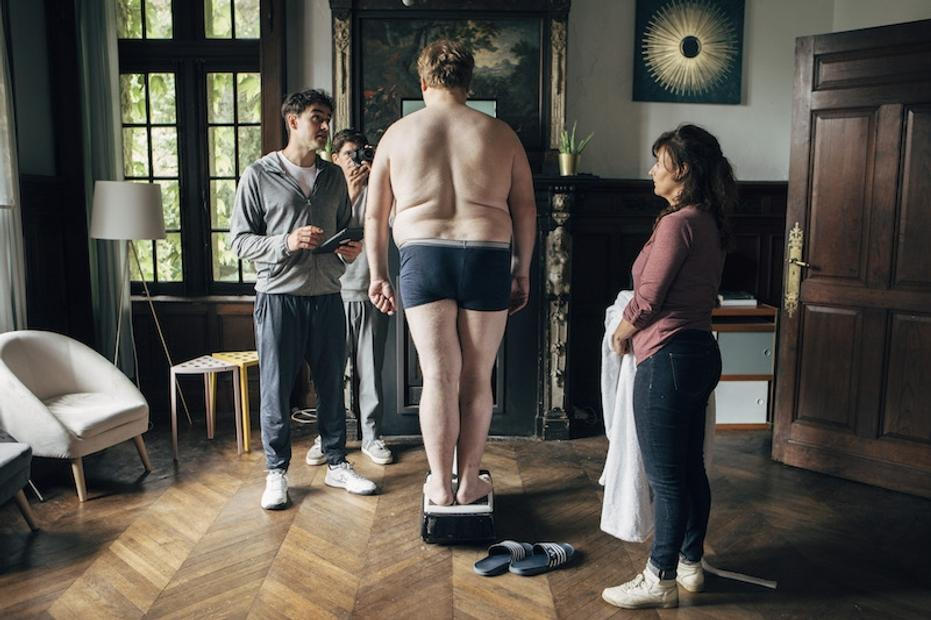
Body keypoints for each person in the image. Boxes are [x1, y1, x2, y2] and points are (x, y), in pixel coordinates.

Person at [364, 40, 536, 507]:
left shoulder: (397, 134)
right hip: (486, 254)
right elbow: (525, 209)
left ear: (423, 83)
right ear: (468, 83)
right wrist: (521, 270)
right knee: (477, 377)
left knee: (438, 377)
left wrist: (378, 274)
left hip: (423, 255)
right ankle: (469, 481)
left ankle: (440, 484)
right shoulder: (501, 134)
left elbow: (375, 214)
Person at [600, 124, 732, 609]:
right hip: (699, 353)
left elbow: (648, 299)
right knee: (690, 469)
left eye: (660, 161)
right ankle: (690, 563)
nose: (652, 169)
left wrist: (620, 333)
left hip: (667, 358)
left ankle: (659, 577)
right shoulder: (709, 219)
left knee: (667, 478)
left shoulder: (678, 224)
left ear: (683, 169)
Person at [230, 89, 377, 510]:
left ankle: (337, 463)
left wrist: (349, 250)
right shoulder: (258, 175)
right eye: (318, 117)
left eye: (328, 118)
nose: (326, 126)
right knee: (276, 390)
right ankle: (276, 473)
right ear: (293, 121)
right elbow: (239, 242)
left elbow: (345, 230)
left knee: (331, 385)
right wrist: (286, 241)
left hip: (328, 296)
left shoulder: (333, 177)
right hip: (279, 298)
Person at [305, 128, 394, 466]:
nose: (357, 161)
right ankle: (327, 437)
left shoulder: (379, 189)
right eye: (349, 155)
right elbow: (316, 234)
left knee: (370, 371)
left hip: (370, 290)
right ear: (334, 158)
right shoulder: (324, 190)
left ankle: (371, 437)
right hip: (333, 292)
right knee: (330, 373)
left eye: (361, 154)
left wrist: (380, 175)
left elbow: (396, 221)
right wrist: (351, 193)